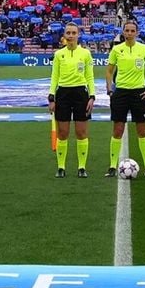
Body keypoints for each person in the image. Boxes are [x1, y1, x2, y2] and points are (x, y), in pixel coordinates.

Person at [105, 18, 145, 178]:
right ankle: (112, 167)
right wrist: (110, 89)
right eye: (126, 30)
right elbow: (109, 71)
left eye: (132, 31)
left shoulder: (144, 49)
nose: (129, 33)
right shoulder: (117, 50)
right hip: (120, 93)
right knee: (117, 130)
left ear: (137, 32)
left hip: (139, 93)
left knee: (142, 131)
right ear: (123, 32)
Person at [48, 23, 95, 177]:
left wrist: (92, 96)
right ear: (64, 35)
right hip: (63, 94)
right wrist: (51, 97)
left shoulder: (85, 54)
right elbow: (54, 76)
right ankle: (61, 167)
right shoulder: (58, 54)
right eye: (68, 33)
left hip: (81, 93)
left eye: (73, 33)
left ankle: (82, 167)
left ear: (78, 35)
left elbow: (89, 76)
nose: (70, 36)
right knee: (63, 132)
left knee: (81, 132)